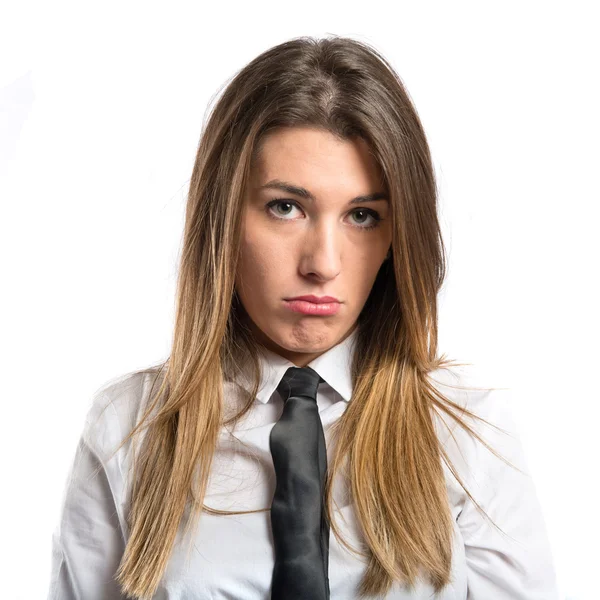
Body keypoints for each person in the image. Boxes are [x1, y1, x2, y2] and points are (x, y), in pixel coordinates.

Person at [46, 35, 559, 599]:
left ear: (397, 237)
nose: (323, 264)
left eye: (362, 215)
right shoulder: (128, 427)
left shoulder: (468, 432)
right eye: (285, 208)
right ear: (224, 220)